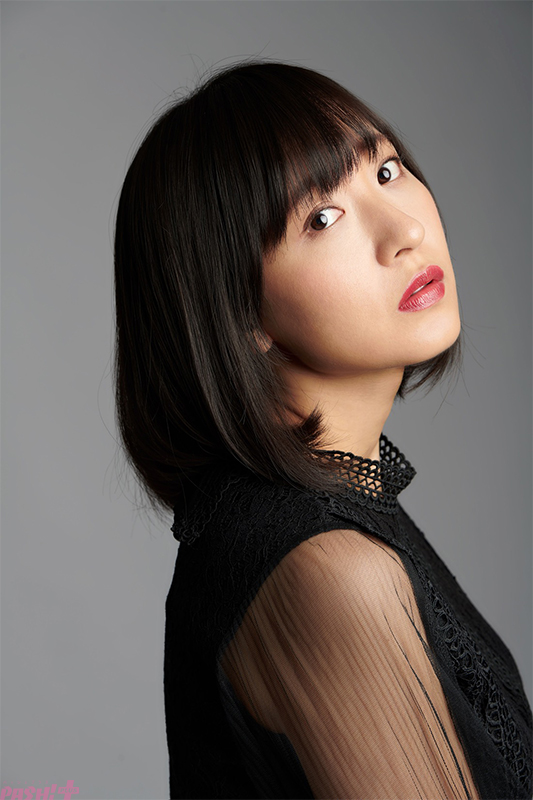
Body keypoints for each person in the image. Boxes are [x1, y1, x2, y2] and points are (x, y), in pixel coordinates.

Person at [113, 61, 532, 799]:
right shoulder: (327, 571)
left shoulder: (328, 516)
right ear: (237, 311)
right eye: (322, 218)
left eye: (387, 170)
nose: (405, 231)